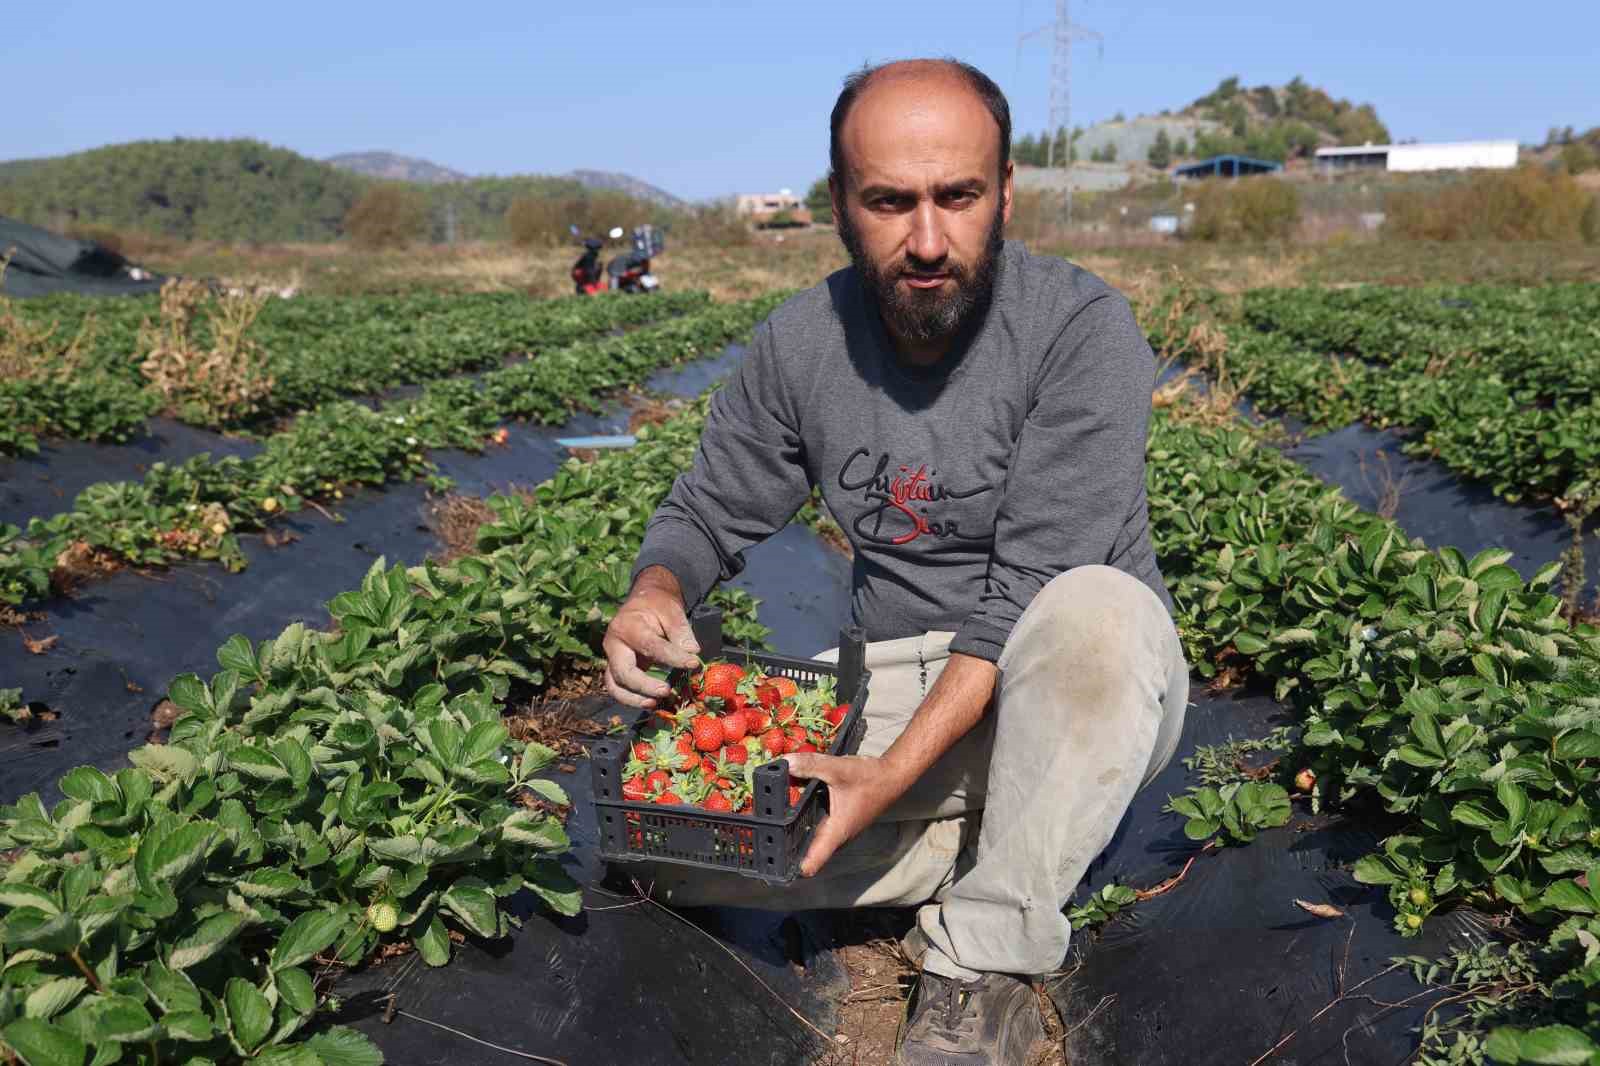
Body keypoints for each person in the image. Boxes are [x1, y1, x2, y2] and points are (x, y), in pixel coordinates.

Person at [602, 57, 1188, 1066]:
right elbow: (707, 510)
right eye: (889, 202)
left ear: (1005, 194)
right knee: (657, 854)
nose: (927, 240)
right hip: (900, 683)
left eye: (957, 197)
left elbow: (1016, 611)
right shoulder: (800, 344)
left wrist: (881, 775)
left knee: (1098, 613)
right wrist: (656, 589)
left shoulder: (1081, 333)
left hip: (1065, 686)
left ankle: (978, 968)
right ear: (839, 204)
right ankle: (995, 846)